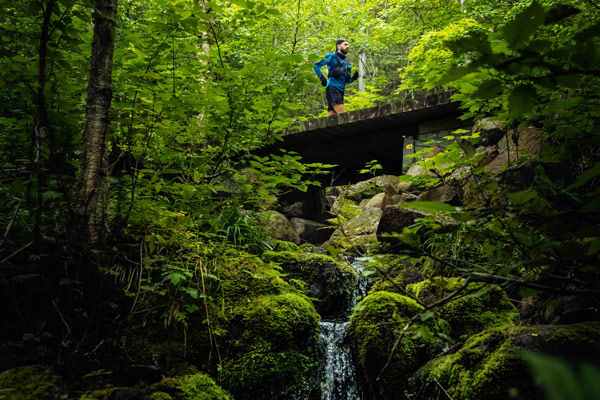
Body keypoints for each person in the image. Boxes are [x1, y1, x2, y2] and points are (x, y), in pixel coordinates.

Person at [314, 39, 359, 116]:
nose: (347, 46)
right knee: (343, 115)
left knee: (332, 117)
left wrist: (353, 78)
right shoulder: (332, 56)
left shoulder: (347, 62)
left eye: (348, 45)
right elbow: (316, 65)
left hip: (341, 91)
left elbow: (345, 81)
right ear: (338, 46)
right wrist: (322, 77)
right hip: (333, 88)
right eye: (345, 44)